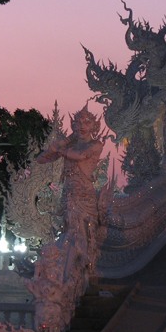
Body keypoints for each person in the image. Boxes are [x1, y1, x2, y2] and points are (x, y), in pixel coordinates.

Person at [36, 105, 104, 273]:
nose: (82, 126)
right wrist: (61, 143)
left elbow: (80, 156)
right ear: (73, 125)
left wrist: (61, 147)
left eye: (87, 122)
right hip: (68, 192)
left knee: (83, 229)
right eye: (78, 123)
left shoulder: (96, 144)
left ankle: (83, 266)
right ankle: (70, 266)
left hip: (84, 194)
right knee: (69, 227)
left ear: (94, 125)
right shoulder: (69, 146)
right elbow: (42, 159)